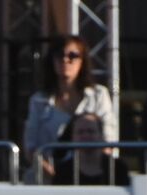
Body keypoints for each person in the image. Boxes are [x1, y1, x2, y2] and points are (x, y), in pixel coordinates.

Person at [25, 34, 115, 182]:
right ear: (52, 61)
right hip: (46, 180)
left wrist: (85, 174)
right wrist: (57, 177)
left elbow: (108, 140)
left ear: (82, 61)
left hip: (91, 179)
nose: (65, 60)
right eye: (59, 55)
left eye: (72, 55)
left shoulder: (99, 95)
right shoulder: (38, 100)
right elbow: (31, 148)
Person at [51, 112, 129, 186]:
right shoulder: (63, 171)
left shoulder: (118, 168)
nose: (85, 135)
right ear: (72, 137)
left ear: (101, 135)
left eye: (90, 131)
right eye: (80, 132)